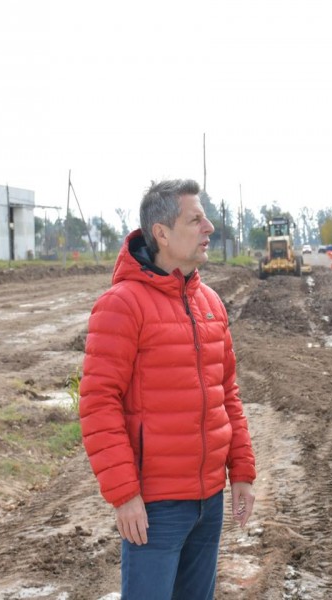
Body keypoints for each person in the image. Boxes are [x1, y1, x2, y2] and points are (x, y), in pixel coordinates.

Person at [79, 178, 256, 599]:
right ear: (161, 233)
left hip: (208, 501)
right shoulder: (121, 305)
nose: (208, 227)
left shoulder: (210, 303)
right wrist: (124, 495)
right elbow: (98, 404)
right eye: (195, 219)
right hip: (155, 508)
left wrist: (242, 471)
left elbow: (226, 393)